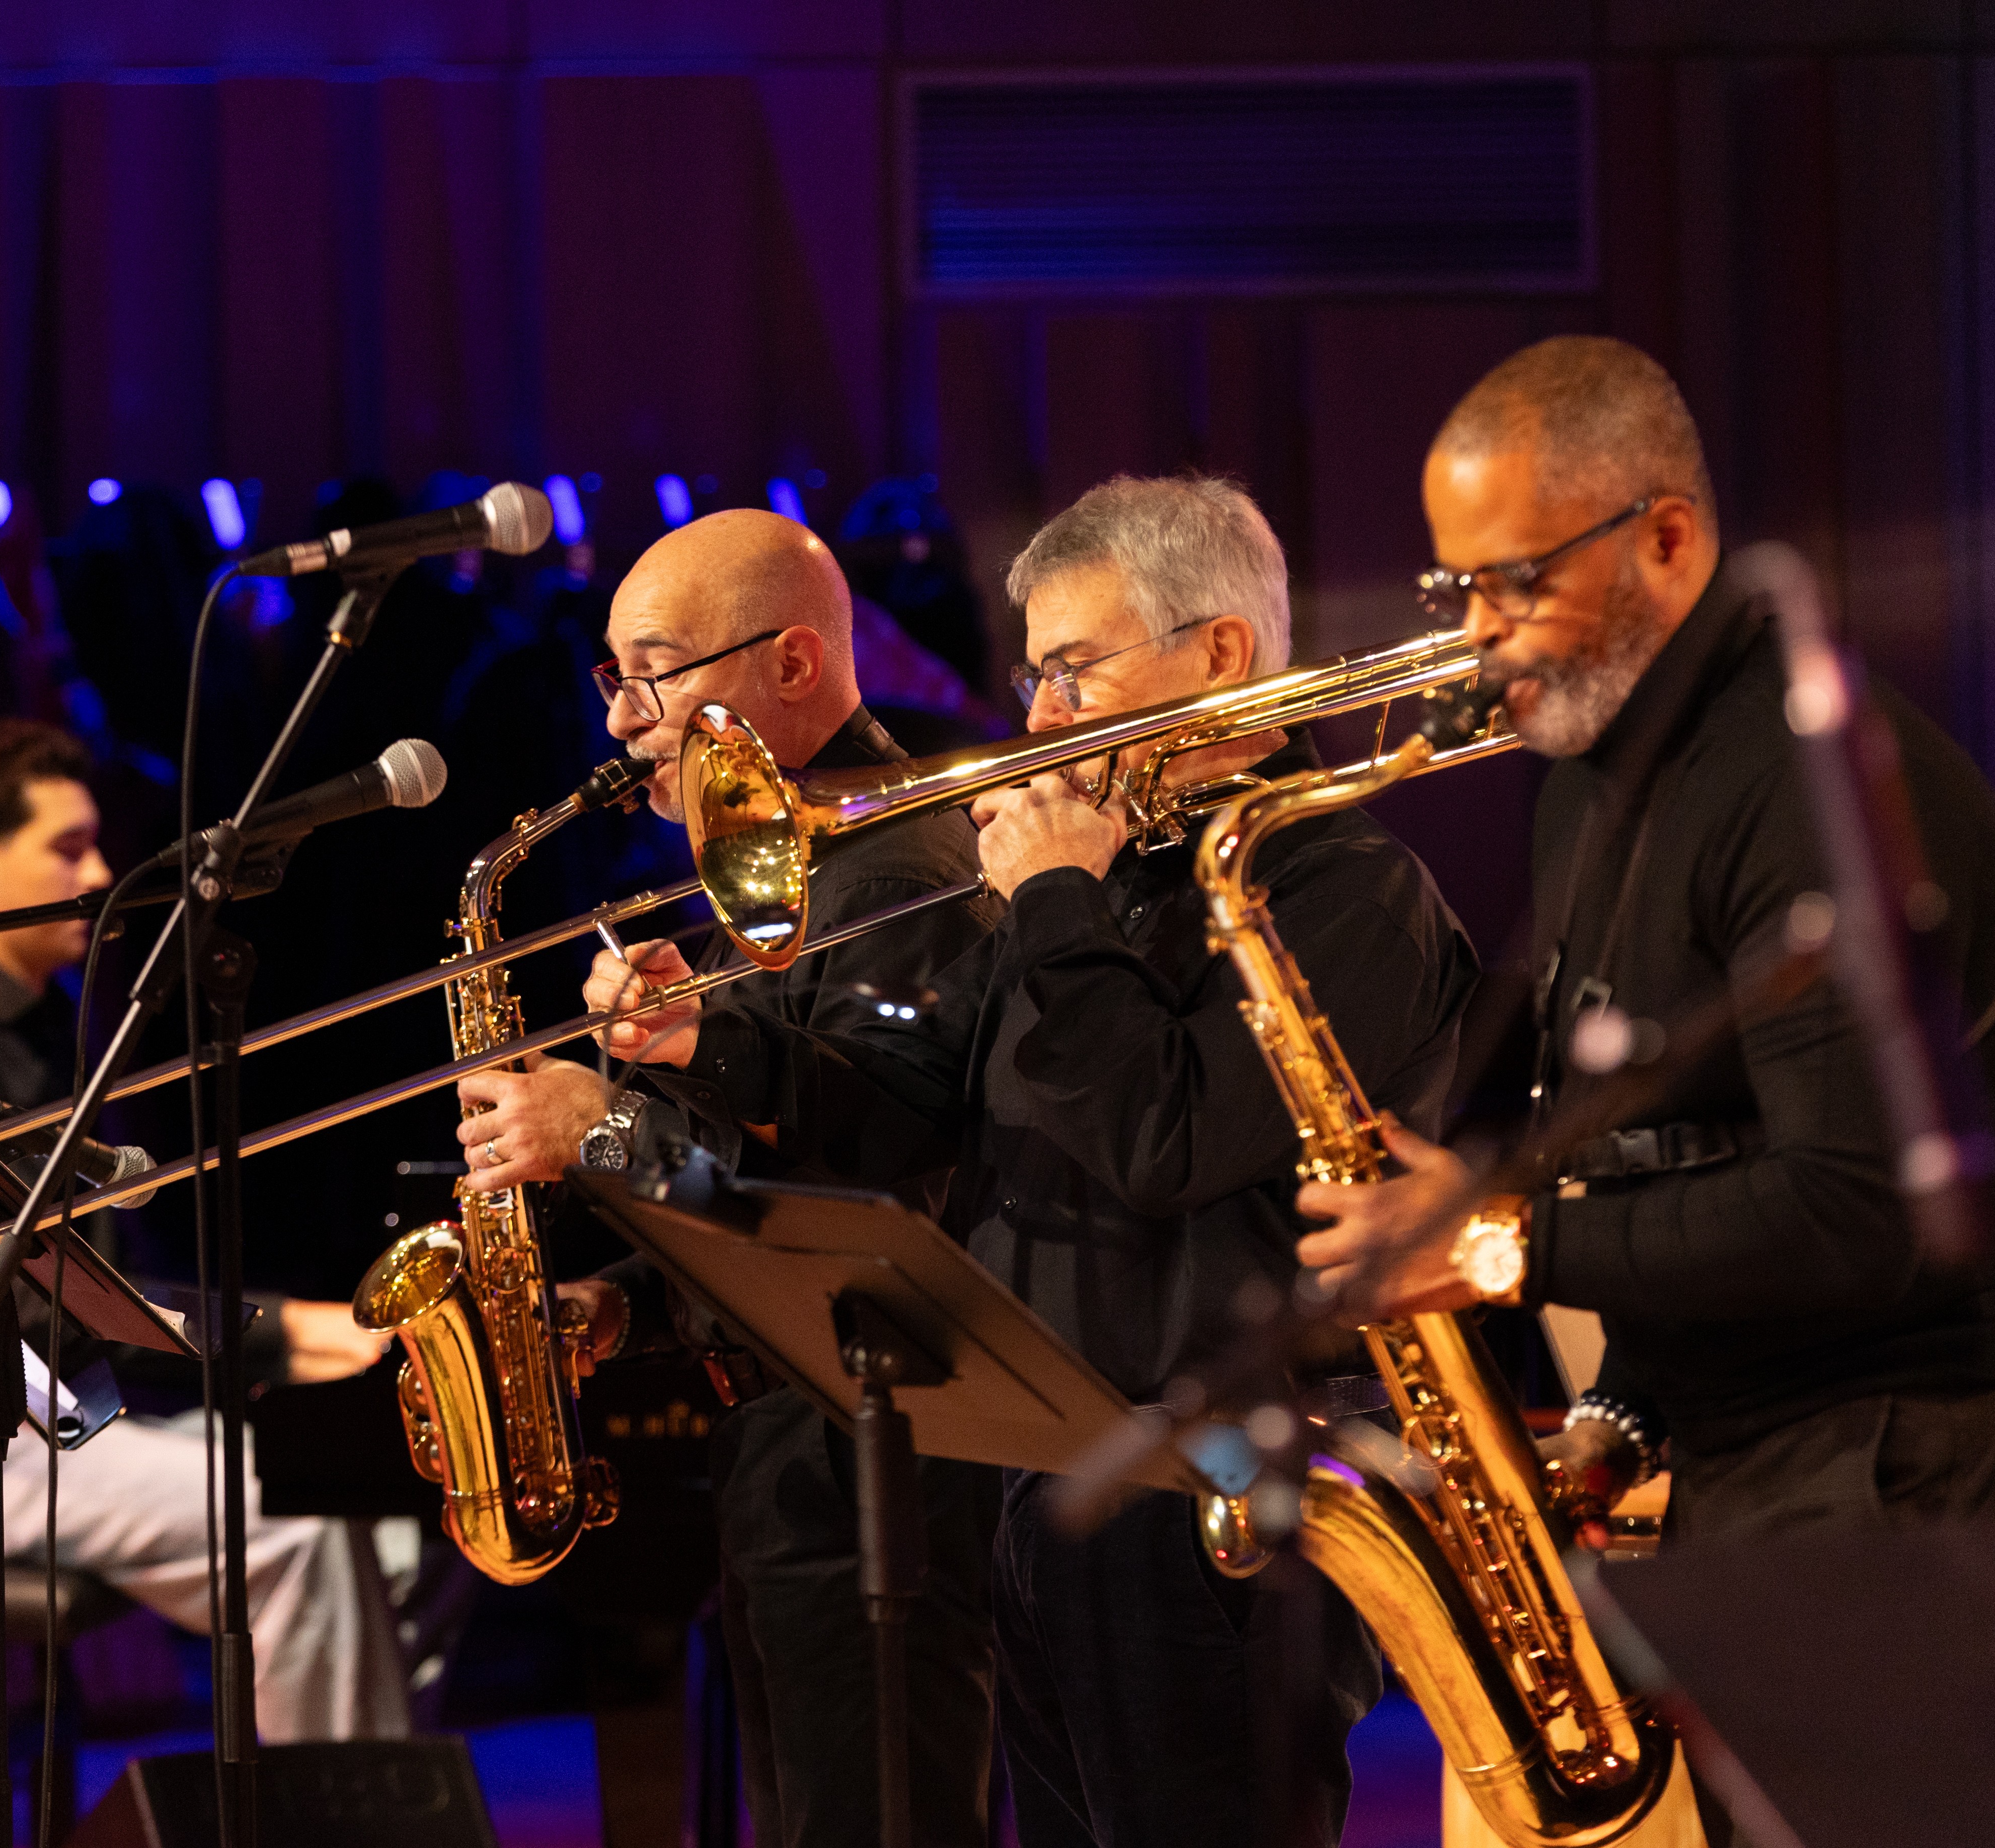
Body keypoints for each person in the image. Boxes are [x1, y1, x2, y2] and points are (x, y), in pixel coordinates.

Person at [1289, 335, 1995, 1832]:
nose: (1482, 636)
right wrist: (1625, 1417)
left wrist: (1505, 1248)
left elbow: (1855, 1212)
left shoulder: (1814, 791)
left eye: (1517, 580)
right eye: (1455, 589)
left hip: (1911, 1465)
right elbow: (1658, 1138)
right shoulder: (1607, 776)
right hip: (1773, 1449)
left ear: (1665, 537)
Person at [597, 477, 1476, 1847]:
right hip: (1046, 1481)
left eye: (1073, 671)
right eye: (1035, 675)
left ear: (1220, 656)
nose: (1040, 721)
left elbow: (1165, 1137)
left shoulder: (1343, 887)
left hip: (1221, 1507)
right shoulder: (1107, 877)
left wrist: (1060, 900)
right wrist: (699, 1039)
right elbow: (934, 1121)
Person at [454, 509, 1007, 1848]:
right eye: (613, 678)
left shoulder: (904, 862)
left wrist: (607, 1130)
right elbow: (773, 1176)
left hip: (884, 1450)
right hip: (788, 1437)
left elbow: (877, 1181)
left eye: (655, 671)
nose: (622, 720)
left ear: (796, 666)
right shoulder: (773, 864)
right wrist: (632, 1305)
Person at [0, 716, 410, 1744]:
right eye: (68, 851)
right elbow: (56, 1315)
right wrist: (301, 1335)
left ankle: (350, 1781)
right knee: (294, 1521)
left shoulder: (38, 1028)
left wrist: (301, 1346)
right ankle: (330, 1812)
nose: (103, 871)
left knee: (396, 1512)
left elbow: (100, 1301)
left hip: (73, 1422)